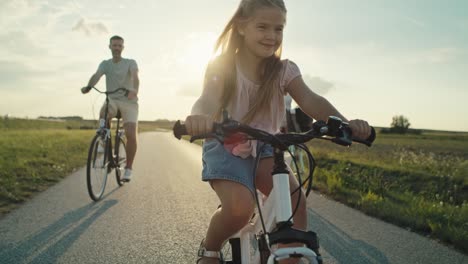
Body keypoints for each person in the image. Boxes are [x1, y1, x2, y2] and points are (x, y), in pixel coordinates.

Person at [184, 1, 371, 263]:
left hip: (267, 146)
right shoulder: (222, 65)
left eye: (278, 29)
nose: (271, 36)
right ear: (241, 27)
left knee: (295, 205)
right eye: (262, 27)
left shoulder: (284, 70)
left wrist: (346, 123)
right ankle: (211, 248)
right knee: (239, 207)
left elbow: (311, 100)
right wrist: (199, 116)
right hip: (227, 144)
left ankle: (289, 257)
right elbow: (208, 99)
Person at [82, 35, 140, 182]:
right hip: (112, 99)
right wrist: (89, 86)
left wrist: (134, 91)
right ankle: (102, 142)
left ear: (123, 48)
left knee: (131, 133)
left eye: (119, 46)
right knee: (103, 113)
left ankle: (128, 168)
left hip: (129, 101)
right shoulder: (105, 64)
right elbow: (97, 75)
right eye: (114, 45)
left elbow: (135, 77)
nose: (117, 48)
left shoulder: (130, 62)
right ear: (109, 47)